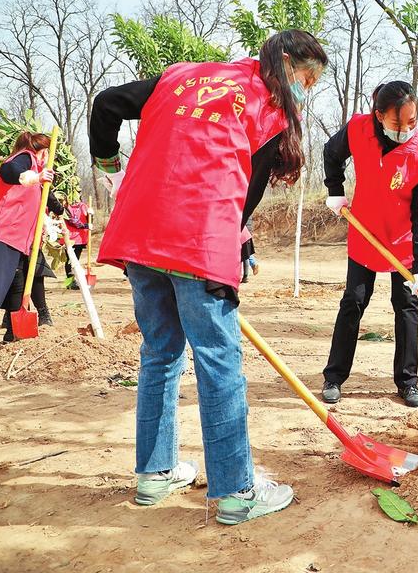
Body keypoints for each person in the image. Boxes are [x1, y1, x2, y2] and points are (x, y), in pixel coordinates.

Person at [90, 29, 328, 524]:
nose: (306, 89)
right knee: (219, 362)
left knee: (160, 353)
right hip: (197, 237)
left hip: (138, 228)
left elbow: (107, 102)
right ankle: (236, 493)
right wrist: (237, 242)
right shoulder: (267, 104)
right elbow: (246, 195)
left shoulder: (183, 76)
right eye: (307, 78)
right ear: (284, 63)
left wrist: (110, 166)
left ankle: (155, 476)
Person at [321, 81, 418, 408]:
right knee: (353, 303)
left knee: (406, 309)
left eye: (412, 122)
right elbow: (332, 154)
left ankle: (408, 383)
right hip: (365, 234)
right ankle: (334, 377)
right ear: (379, 116)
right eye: (397, 123)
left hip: (402, 244)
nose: (406, 130)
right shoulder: (359, 129)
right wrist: (335, 189)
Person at [0, 132, 62, 341]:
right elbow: (9, 171)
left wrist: (60, 211)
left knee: (18, 278)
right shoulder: (25, 158)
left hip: (16, 237)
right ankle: (13, 331)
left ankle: (13, 333)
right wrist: (35, 177)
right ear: (42, 152)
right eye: (47, 153)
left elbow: (46, 194)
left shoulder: (36, 170)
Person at [60, 193, 89, 290]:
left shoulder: (83, 206)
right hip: (69, 238)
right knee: (70, 261)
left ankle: (73, 281)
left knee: (75, 260)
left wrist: (90, 216)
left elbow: (88, 217)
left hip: (79, 239)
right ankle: (70, 282)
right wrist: (84, 225)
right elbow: (72, 219)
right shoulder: (64, 208)